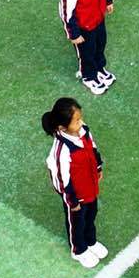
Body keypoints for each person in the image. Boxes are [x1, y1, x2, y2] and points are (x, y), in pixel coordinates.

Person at [43, 97, 107, 266]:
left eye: (80, 118)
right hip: (76, 196)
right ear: (62, 127)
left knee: (91, 215)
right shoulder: (62, 149)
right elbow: (60, 178)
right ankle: (78, 249)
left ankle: (90, 240)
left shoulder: (84, 130)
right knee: (76, 222)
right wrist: (72, 200)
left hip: (90, 187)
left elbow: (93, 149)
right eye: (76, 121)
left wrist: (98, 167)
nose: (81, 123)